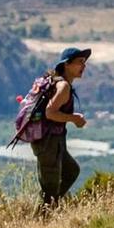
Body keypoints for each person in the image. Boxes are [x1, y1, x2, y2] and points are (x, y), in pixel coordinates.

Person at [36, 47, 92, 208]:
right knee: (50, 188)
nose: (83, 66)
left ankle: (52, 207)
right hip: (48, 142)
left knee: (71, 170)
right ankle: (43, 218)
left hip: (54, 141)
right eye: (80, 62)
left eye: (84, 62)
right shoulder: (63, 87)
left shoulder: (60, 83)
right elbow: (50, 113)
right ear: (66, 64)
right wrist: (74, 118)